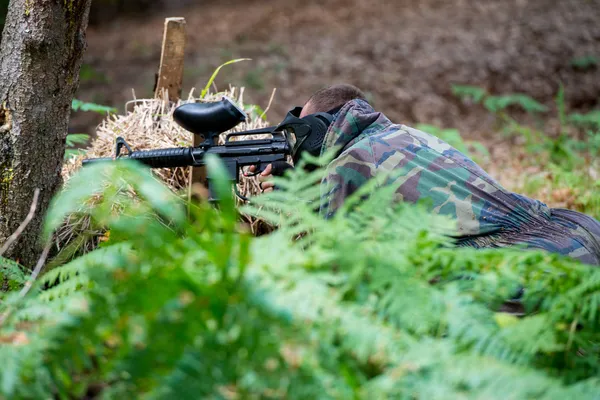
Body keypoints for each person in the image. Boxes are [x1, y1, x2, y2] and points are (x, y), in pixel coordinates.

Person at [251, 84, 600, 266]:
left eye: (300, 134)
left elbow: (327, 255)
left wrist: (285, 198)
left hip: (526, 263)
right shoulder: (406, 135)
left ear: (323, 128)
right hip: (577, 232)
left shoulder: (351, 161)